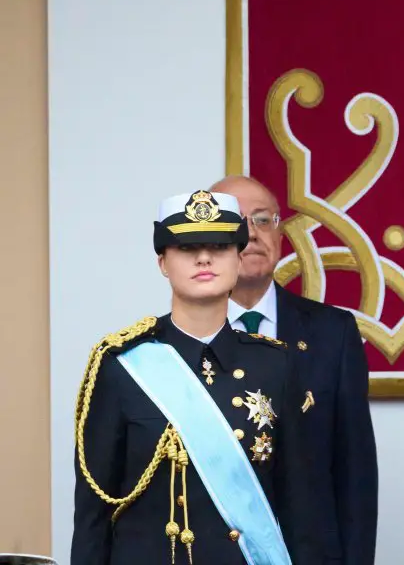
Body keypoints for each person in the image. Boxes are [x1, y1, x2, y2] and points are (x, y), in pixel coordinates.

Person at [72, 189, 319, 564]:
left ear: (239, 259)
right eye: (187, 248)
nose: (204, 257)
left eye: (219, 246)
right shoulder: (121, 364)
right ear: (162, 262)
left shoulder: (277, 366)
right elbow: (93, 516)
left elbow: (300, 508)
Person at [211, 175, 379, 564]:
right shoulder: (174, 341)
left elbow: (355, 476)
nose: (251, 233)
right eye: (235, 221)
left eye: (262, 220)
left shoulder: (333, 333)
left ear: (281, 234)